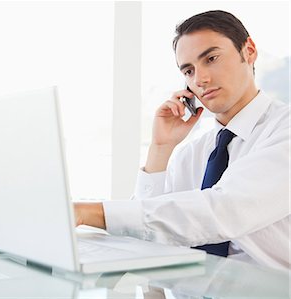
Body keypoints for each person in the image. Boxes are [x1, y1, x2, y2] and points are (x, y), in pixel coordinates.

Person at [74, 10, 290, 270]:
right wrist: (160, 149)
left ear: (249, 50)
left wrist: (89, 212)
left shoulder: (282, 130)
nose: (200, 79)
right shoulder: (193, 153)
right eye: (188, 71)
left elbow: (223, 212)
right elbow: (144, 238)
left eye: (211, 58)